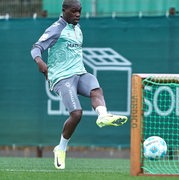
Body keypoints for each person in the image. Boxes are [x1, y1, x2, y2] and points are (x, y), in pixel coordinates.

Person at [30, 0, 128, 170]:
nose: (77, 15)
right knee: (76, 114)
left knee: (96, 89)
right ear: (64, 10)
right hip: (62, 77)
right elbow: (36, 48)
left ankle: (103, 115)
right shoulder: (56, 28)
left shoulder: (78, 29)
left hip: (80, 73)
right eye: (74, 11)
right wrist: (39, 62)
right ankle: (60, 148)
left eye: (79, 12)